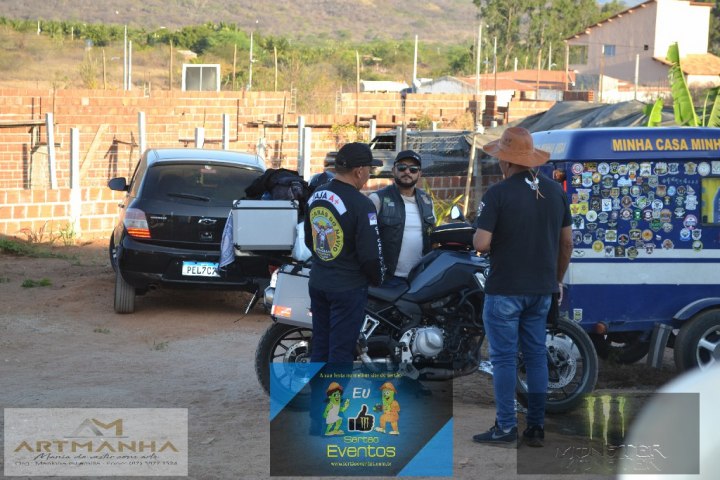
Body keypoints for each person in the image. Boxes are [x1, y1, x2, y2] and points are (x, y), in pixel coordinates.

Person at [471, 127, 572, 447]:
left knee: (503, 360)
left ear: (506, 161)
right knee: (535, 356)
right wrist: (556, 279)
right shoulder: (556, 192)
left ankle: (504, 427)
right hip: (542, 290)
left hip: (505, 291)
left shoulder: (498, 194)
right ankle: (536, 427)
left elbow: (481, 244)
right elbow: (567, 242)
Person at [304, 142, 385, 363]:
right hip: (347, 288)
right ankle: (333, 399)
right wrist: (378, 278)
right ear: (359, 171)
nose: (369, 174)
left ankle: (317, 398)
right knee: (341, 354)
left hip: (319, 281)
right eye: (369, 169)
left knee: (320, 346)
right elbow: (369, 255)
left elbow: (309, 240)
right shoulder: (362, 204)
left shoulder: (316, 195)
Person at [368, 150, 435, 285]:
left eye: (413, 169)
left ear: (419, 174)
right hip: (387, 277)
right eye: (402, 167)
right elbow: (366, 238)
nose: (407, 172)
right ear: (394, 170)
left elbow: (432, 236)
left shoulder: (427, 201)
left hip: (419, 276)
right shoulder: (377, 199)